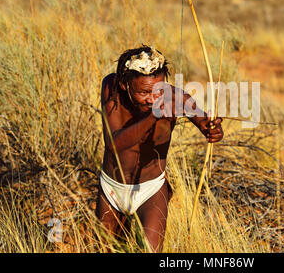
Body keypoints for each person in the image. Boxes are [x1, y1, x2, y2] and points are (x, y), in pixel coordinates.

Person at [95, 44, 224, 252]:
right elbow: (114, 144)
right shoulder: (111, 88)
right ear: (124, 85)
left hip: (151, 189)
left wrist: (212, 130)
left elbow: (204, 122)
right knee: (104, 248)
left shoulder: (175, 98)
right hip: (112, 188)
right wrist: (153, 116)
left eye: (158, 90)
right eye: (144, 92)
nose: (153, 98)